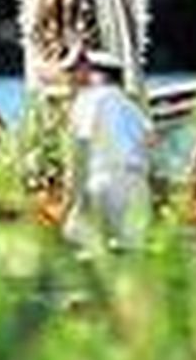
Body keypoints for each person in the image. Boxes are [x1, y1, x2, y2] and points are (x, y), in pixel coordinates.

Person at [65, 46, 152, 245]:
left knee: (75, 240)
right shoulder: (130, 105)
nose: (75, 76)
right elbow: (152, 139)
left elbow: (82, 144)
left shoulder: (88, 98)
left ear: (95, 73)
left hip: (103, 181)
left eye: (80, 70)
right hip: (137, 183)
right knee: (132, 252)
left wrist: (74, 190)